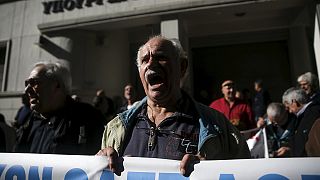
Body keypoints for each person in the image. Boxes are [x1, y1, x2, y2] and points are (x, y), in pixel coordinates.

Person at [97, 36, 250, 177]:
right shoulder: (115, 128)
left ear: (182, 66)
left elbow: (246, 173)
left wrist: (210, 170)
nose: (151, 63)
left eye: (161, 57)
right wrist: (99, 164)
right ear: (140, 73)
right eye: (145, 60)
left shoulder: (218, 127)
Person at [14, 62, 105, 155]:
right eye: (27, 84)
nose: (27, 90)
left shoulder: (87, 118)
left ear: (56, 85)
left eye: (34, 83)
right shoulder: (29, 121)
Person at [282, 87, 320, 157]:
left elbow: (305, 142)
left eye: (288, 107)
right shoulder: (303, 115)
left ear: (294, 102)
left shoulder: (313, 113)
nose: (290, 111)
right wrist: (289, 149)